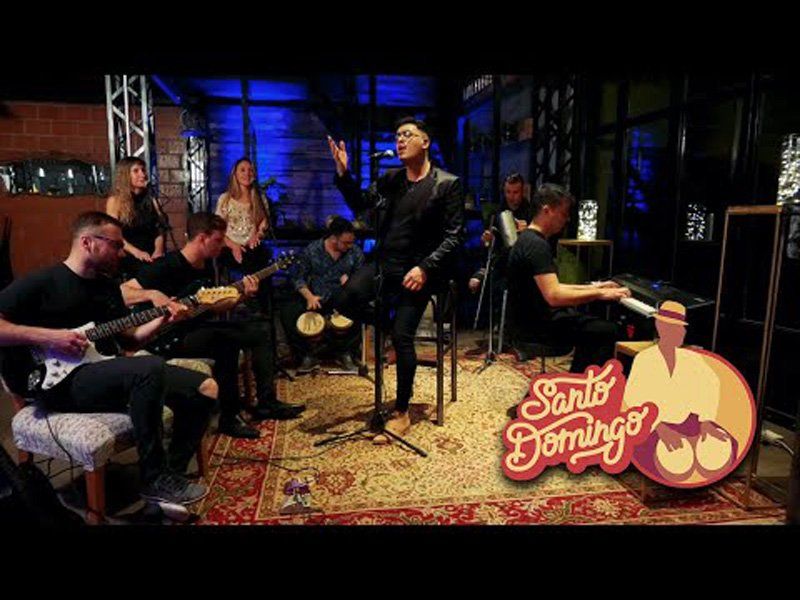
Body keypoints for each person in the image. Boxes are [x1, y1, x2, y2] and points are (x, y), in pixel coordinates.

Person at [0, 212, 215, 506]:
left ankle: (170, 476)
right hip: (60, 382)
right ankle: (154, 479)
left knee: (205, 389)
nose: (122, 252)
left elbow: (131, 340)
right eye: (116, 245)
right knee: (149, 367)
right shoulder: (42, 282)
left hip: (103, 369)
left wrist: (164, 319)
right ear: (87, 242)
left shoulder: (108, 287)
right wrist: (50, 337)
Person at [327, 116, 464, 444]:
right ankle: (388, 325)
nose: (400, 140)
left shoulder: (447, 184)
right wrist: (344, 173)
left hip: (418, 271)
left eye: (407, 135)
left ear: (425, 142)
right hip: (384, 263)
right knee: (343, 300)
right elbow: (361, 206)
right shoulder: (391, 179)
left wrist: (425, 268)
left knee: (403, 338)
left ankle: (401, 412)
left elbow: (454, 236)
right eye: (397, 135)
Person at [120, 212, 304, 440]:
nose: (222, 245)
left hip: (195, 329)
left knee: (261, 330)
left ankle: (266, 402)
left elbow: (214, 305)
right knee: (225, 342)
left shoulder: (208, 266)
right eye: (218, 240)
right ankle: (229, 417)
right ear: (202, 238)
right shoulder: (167, 265)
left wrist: (243, 294)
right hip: (165, 337)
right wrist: (153, 295)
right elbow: (123, 292)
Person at [506, 183, 630, 373]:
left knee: (593, 327)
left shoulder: (529, 239)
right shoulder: (536, 246)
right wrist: (599, 294)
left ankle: (577, 380)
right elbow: (554, 296)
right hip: (537, 327)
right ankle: (580, 384)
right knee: (607, 331)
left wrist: (597, 288)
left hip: (529, 322)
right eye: (563, 213)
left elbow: (554, 286)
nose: (567, 219)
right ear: (547, 210)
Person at [622, 301, 736, 483]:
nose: (681, 332)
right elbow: (633, 399)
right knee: (665, 458)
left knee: (726, 445)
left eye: (682, 328)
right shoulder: (645, 360)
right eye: (674, 328)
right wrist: (661, 428)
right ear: (660, 327)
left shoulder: (693, 359)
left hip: (687, 421)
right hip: (654, 424)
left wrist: (706, 421)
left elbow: (710, 385)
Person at [281, 216, 364, 372]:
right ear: (334, 238)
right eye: (346, 243)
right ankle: (308, 355)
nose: (350, 246)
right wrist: (309, 296)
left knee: (360, 306)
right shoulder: (312, 251)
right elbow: (298, 277)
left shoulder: (355, 252)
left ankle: (345, 353)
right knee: (289, 310)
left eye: (351, 242)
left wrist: (351, 283)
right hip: (317, 297)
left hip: (343, 297)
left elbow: (361, 277)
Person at [468, 172, 532, 295]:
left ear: (522, 192)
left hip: (524, 264)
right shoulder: (495, 214)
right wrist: (487, 241)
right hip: (500, 264)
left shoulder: (531, 214)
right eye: (508, 192)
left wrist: (529, 231)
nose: (511, 197)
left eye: (515, 192)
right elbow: (487, 250)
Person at [105, 157, 167, 280]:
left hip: (151, 254)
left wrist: (158, 250)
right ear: (125, 175)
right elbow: (113, 233)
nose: (142, 175)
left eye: (143, 170)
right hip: (129, 255)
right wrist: (136, 252)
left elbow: (160, 227)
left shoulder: (151, 199)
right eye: (136, 171)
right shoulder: (115, 201)